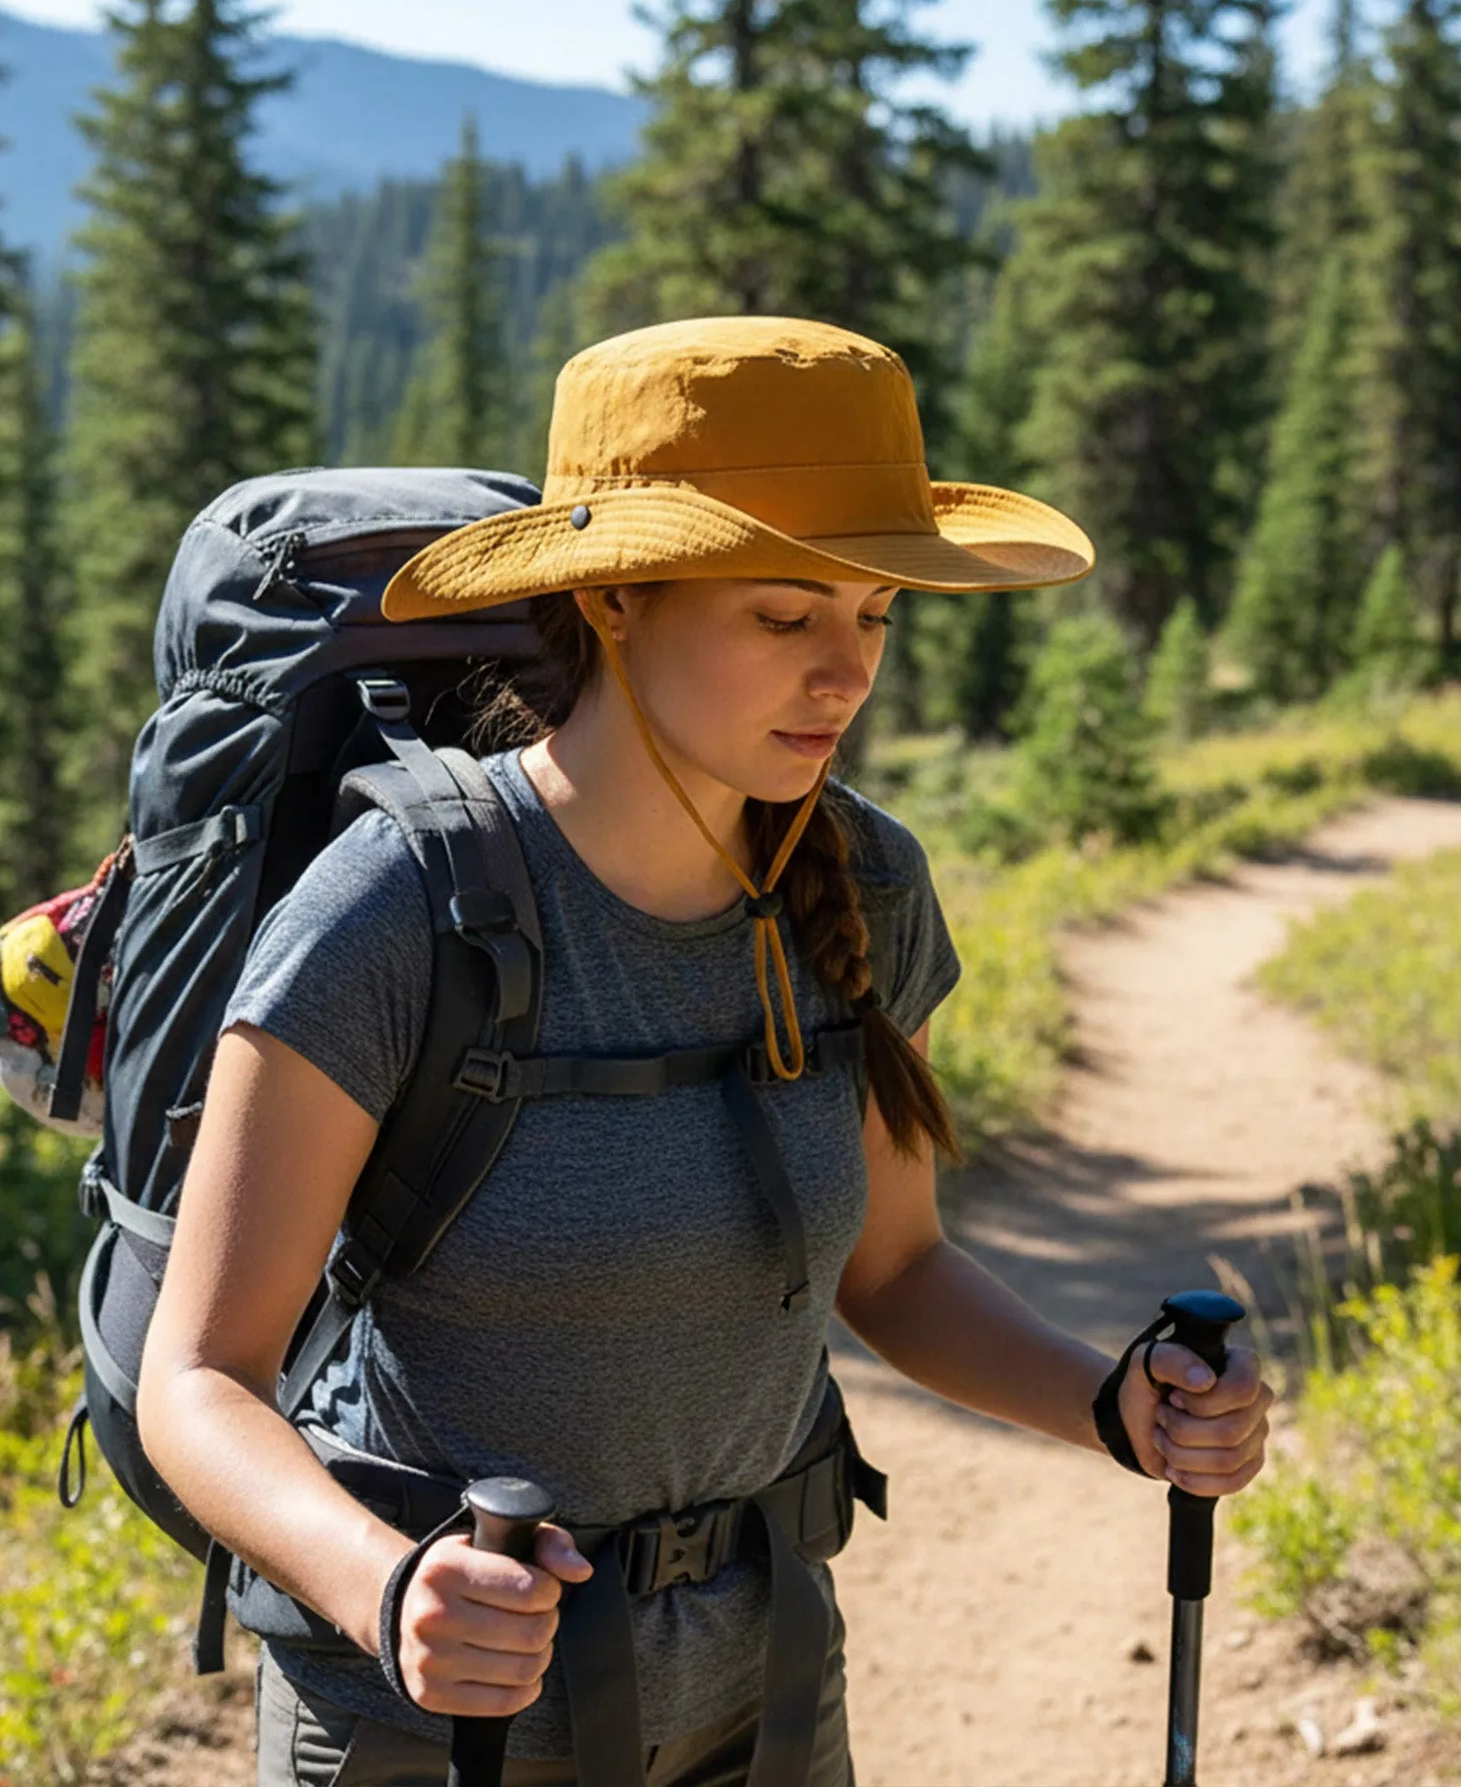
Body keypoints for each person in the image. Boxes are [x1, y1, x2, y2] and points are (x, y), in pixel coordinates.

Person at [138, 315, 1276, 1787]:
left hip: (768, 1690)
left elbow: (897, 1269)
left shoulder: (861, 888)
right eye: (783, 616)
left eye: (874, 616)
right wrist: (388, 1588)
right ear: (614, 597)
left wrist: (1114, 1408)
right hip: (436, 1726)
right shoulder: (399, 913)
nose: (845, 672)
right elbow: (202, 1377)